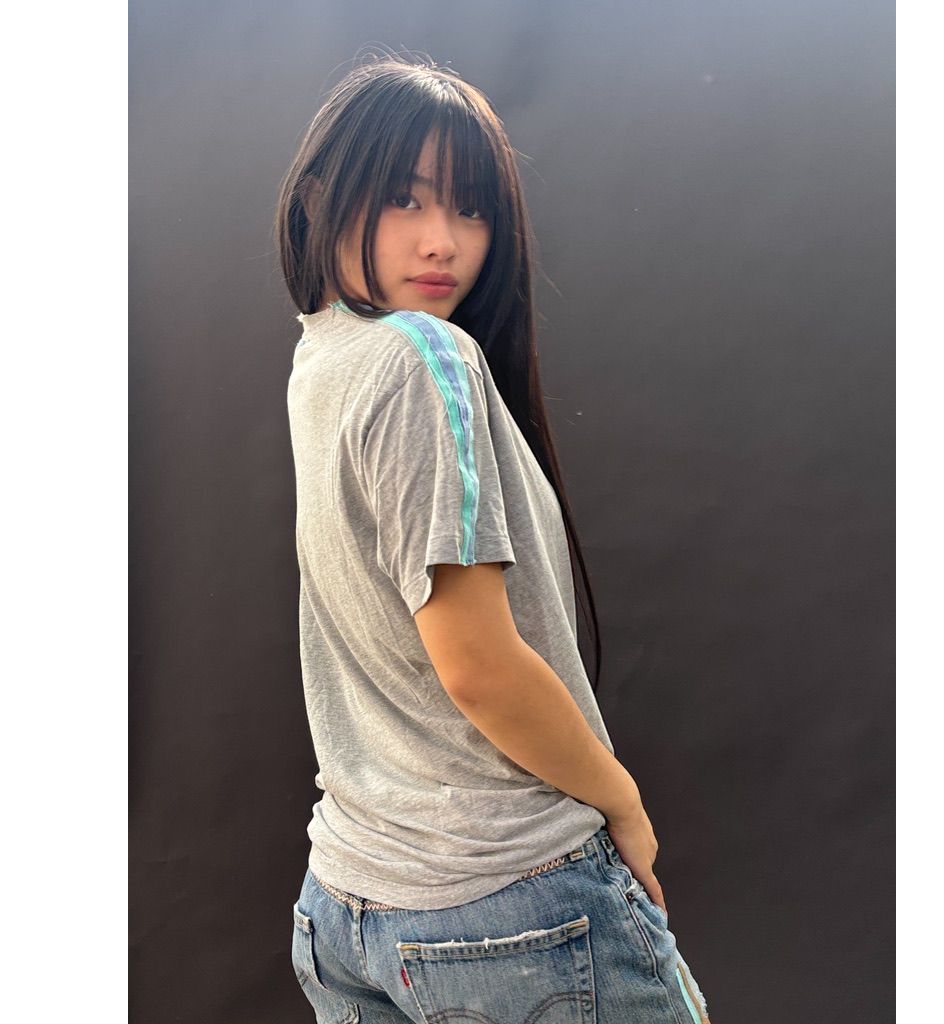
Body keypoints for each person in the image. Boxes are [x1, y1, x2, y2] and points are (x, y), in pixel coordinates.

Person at [274, 53, 712, 1023]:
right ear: (319, 200)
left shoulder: (324, 357)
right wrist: (621, 802)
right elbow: (476, 664)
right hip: (505, 899)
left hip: (345, 900)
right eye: (403, 197)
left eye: (470, 209)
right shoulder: (421, 354)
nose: (443, 241)